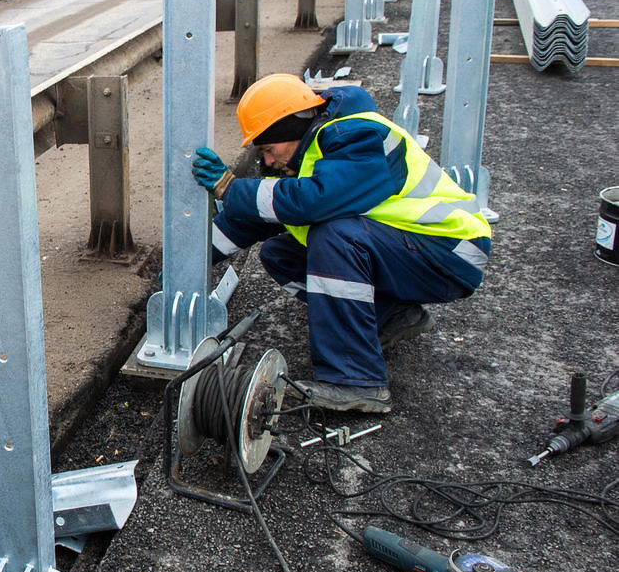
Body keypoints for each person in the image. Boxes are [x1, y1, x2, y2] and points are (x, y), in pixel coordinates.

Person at [191, 74, 492, 413]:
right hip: (413, 251)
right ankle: (392, 316)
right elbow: (251, 219)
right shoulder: (309, 154)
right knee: (280, 254)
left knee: (334, 235)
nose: (269, 162)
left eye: (268, 150)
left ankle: (355, 381)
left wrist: (231, 189)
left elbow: (316, 202)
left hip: (450, 251)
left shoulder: (359, 136)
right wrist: (188, 264)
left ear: (290, 130)